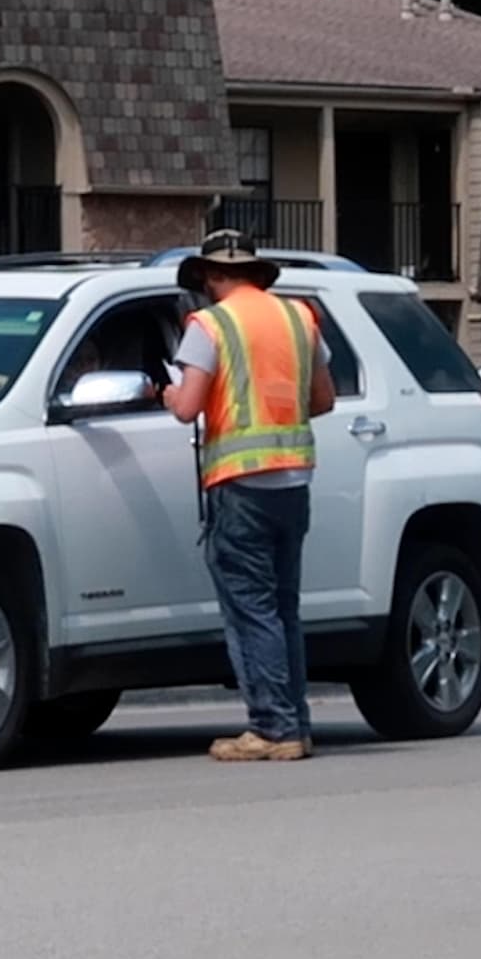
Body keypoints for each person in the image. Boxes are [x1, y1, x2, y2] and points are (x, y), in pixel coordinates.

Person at [164, 229, 337, 762]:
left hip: (240, 483)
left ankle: (271, 728)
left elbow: (187, 407)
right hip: (293, 480)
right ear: (257, 274)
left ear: (213, 276)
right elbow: (323, 399)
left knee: (251, 611)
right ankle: (295, 725)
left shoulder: (209, 325)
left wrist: (168, 391)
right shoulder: (298, 318)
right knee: (283, 608)